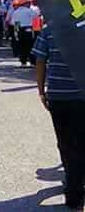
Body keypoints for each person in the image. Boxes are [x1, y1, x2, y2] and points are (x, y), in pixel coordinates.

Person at [33, 27, 85, 209]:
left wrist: (40, 91)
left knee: (67, 145)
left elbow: (40, 61)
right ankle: (77, 185)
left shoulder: (50, 31)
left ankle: (75, 195)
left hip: (60, 96)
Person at [12, 0, 38, 66]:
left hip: (19, 30)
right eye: (29, 3)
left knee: (21, 47)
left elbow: (15, 24)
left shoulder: (15, 12)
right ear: (25, 3)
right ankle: (32, 62)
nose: (30, 5)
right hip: (28, 30)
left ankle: (23, 62)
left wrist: (16, 34)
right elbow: (36, 16)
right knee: (30, 46)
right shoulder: (29, 11)